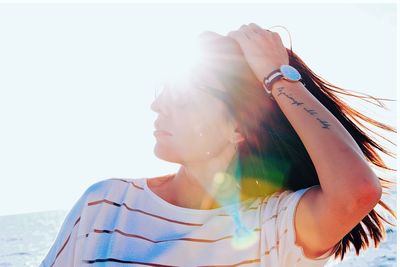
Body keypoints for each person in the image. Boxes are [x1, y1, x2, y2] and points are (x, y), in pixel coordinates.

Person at [40, 23, 396, 267]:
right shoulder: (106, 205)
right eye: (161, 89)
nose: (157, 104)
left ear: (239, 128)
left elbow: (356, 192)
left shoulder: (272, 225)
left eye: (183, 95)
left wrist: (277, 77)